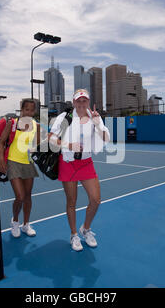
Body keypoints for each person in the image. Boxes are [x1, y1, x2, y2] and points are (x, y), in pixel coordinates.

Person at [49, 89, 110, 251]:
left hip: (86, 163)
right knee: (72, 202)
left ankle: (86, 229)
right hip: (68, 162)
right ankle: (74, 234)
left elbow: (106, 138)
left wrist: (98, 125)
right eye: (79, 101)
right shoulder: (64, 117)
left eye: (85, 101)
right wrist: (68, 145)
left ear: (88, 102)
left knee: (96, 200)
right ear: (74, 102)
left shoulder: (94, 117)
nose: (82, 104)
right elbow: (51, 139)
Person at [0, 99, 41, 238]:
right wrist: (0, 159)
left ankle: (26, 224)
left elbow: (39, 144)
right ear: (21, 109)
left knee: (28, 196)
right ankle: (15, 221)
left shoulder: (36, 125)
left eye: (31, 110)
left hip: (28, 163)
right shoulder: (12, 123)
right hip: (13, 162)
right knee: (20, 196)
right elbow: (1, 142)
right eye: (26, 109)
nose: (29, 112)